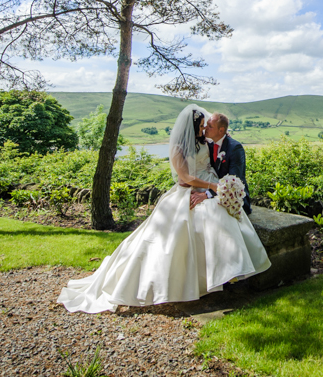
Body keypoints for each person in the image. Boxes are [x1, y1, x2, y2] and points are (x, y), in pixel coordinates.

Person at [56, 104, 270, 312]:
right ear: (192, 127)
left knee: (217, 216)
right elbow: (185, 177)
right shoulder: (179, 148)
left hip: (209, 188)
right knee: (186, 227)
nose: (204, 128)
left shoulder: (206, 141)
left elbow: (221, 159)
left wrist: (212, 190)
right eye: (201, 125)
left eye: (207, 125)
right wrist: (211, 187)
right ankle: (190, 281)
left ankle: (225, 273)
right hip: (192, 189)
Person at [189, 113, 251, 215]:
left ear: (221, 130)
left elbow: (233, 180)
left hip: (233, 198)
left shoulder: (235, 148)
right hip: (214, 191)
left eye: (210, 126)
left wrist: (206, 194)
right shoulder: (209, 145)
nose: (205, 128)